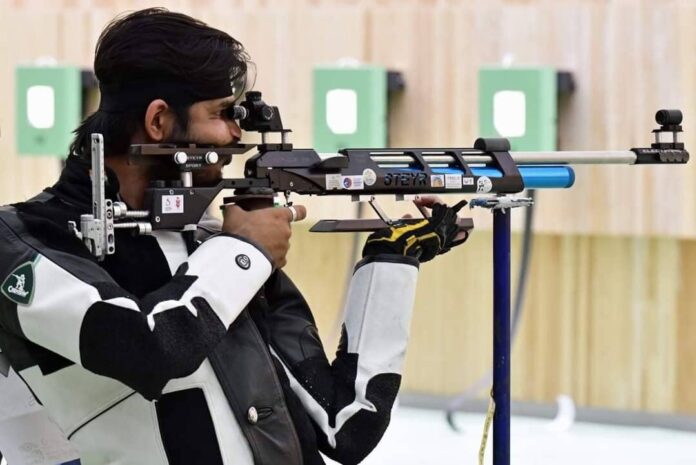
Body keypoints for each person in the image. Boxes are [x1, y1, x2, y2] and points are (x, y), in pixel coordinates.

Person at [0, 8, 466, 465]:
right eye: (222, 113)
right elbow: (149, 350)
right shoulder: (24, 239)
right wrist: (245, 252)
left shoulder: (209, 246)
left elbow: (346, 425)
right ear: (158, 121)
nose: (236, 133)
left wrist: (391, 261)